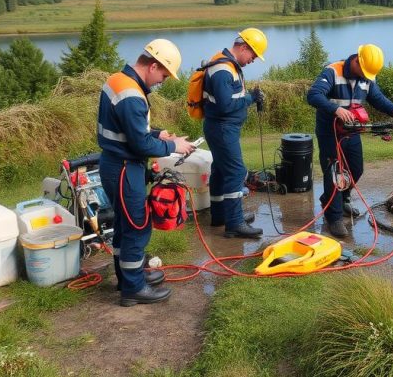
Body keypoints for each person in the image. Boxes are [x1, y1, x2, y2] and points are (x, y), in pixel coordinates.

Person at [97, 39, 196, 306]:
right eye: (163, 75)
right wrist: (173, 144)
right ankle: (133, 288)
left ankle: (128, 276)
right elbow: (140, 144)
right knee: (136, 227)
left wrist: (155, 134)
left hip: (116, 164)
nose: (161, 81)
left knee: (123, 226)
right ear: (152, 66)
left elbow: (129, 132)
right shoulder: (132, 95)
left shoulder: (118, 80)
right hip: (124, 169)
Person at [307, 44, 393, 238]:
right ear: (356, 61)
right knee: (334, 174)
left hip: (352, 132)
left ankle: (341, 199)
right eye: (364, 71)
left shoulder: (366, 76)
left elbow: (376, 97)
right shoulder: (332, 71)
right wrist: (335, 109)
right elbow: (313, 95)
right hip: (330, 133)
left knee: (356, 169)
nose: (365, 76)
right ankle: (334, 218)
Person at [203, 28, 268, 239]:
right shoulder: (223, 69)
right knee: (236, 172)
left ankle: (220, 215)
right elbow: (225, 105)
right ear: (243, 47)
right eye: (253, 55)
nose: (253, 60)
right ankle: (234, 223)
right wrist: (251, 98)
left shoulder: (227, 65)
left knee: (221, 171)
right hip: (223, 128)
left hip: (221, 128)